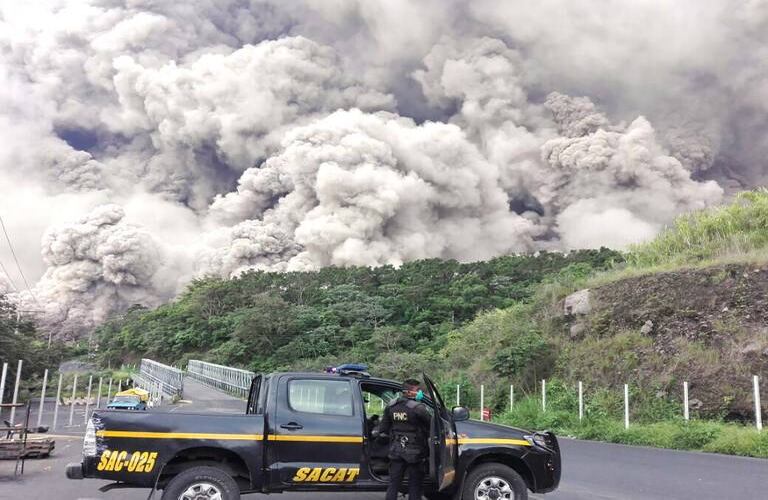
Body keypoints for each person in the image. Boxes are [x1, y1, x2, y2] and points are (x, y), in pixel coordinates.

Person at [378, 378, 432, 500]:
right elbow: (431, 425)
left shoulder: (391, 406)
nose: (420, 393)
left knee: (393, 484)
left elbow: (383, 429)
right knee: (415, 484)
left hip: (396, 450)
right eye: (417, 390)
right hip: (415, 451)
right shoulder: (418, 408)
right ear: (408, 392)